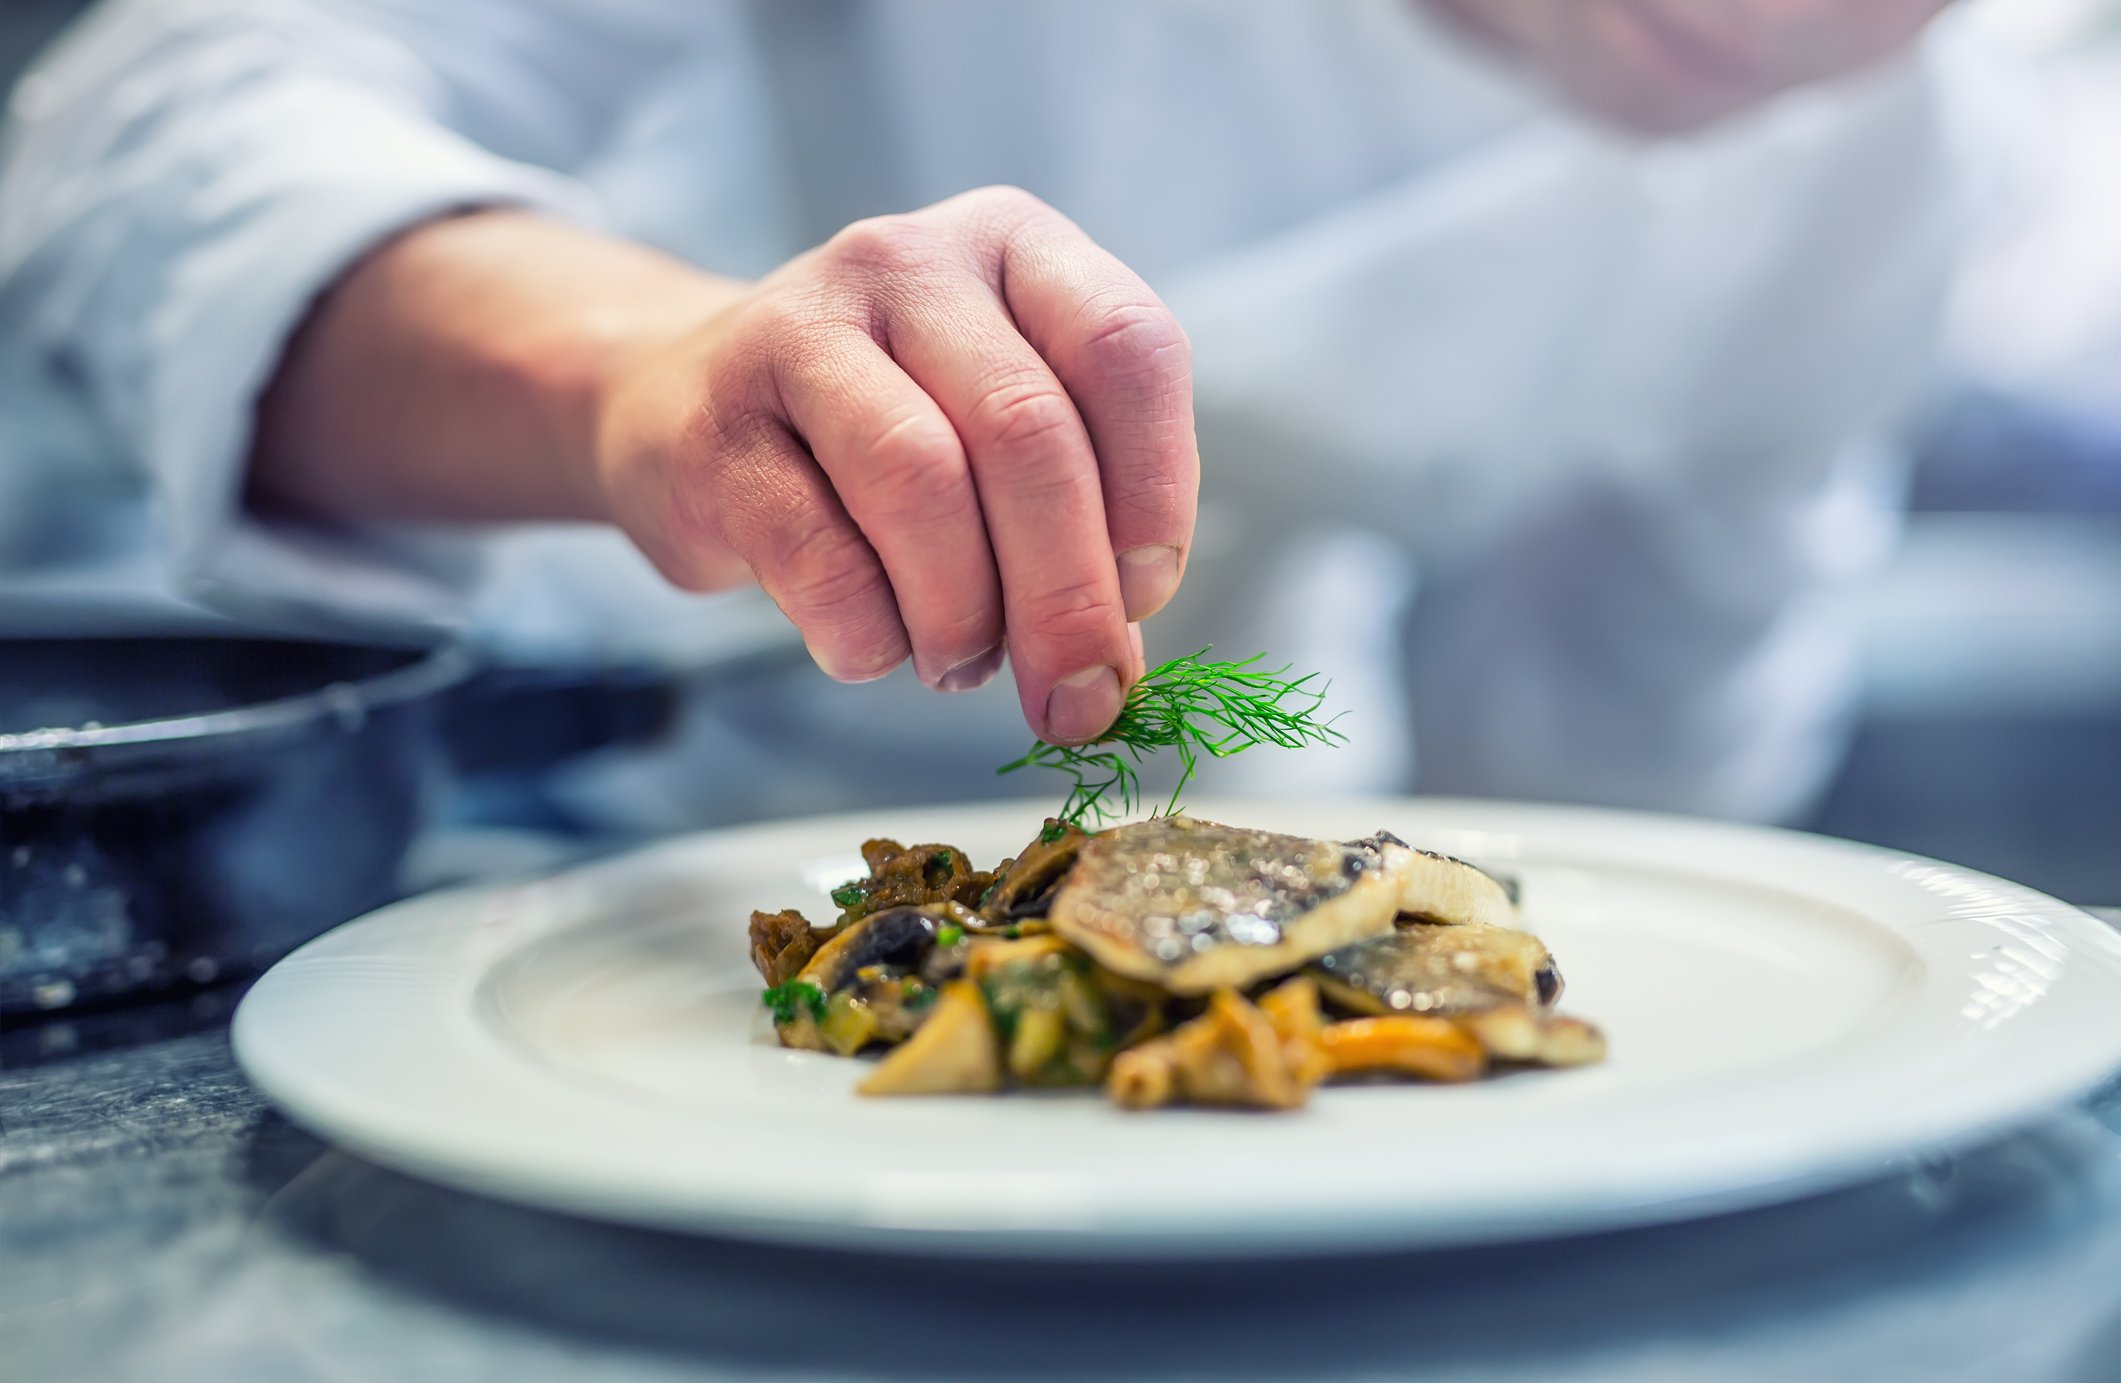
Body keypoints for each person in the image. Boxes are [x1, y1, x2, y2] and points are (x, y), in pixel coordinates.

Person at [0, 0, 1964, 827]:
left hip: (1171, 987)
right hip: (441, 832)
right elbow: (140, 138)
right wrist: (646, 380)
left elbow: (1621, 797)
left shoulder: (1892, 169)